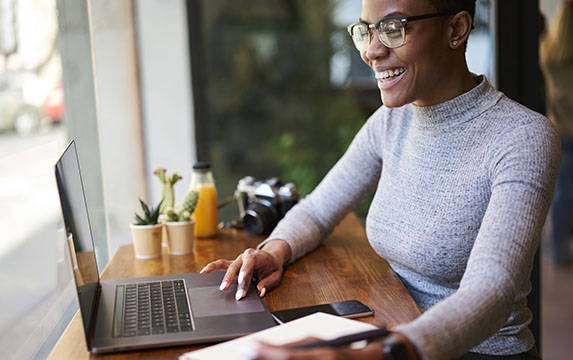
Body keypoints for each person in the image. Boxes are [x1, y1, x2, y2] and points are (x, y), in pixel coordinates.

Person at [201, 0, 561, 358]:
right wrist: (275, 251)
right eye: (365, 31)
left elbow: (492, 291)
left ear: (456, 29)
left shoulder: (522, 137)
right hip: (391, 325)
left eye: (393, 28)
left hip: (471, 351)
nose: (372, 51)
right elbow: (317, 210)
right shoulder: (392, 122)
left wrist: (383, 352)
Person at [541, 0, 573, 266]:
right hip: (566, 131)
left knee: (562, 195)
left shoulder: (549, 52)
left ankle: (559, 251)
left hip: (560, 128)